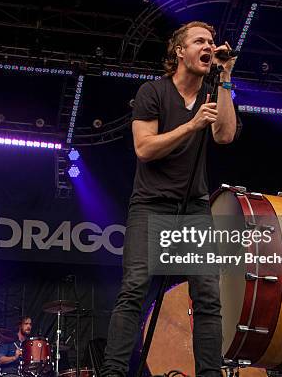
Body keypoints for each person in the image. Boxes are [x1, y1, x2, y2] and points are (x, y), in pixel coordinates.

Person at [100, 21, 237, 377]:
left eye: (211, 41)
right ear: (180, 51)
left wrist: (225, 79)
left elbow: (224, 135)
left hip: (193, 207)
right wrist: (191, 126)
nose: (209, 46)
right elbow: (144, 148)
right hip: (151, 204)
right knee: (133, 291)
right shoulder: (153, 92)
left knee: (208, 296)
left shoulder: (213, 90)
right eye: (199, 41)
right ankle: (112, 372)